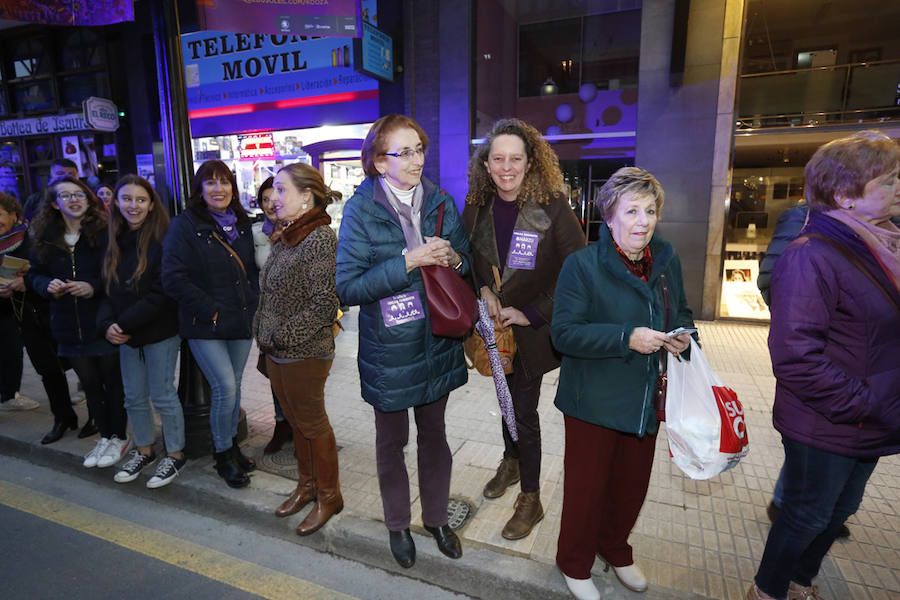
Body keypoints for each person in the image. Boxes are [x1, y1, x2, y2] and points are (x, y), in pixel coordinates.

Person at [746, 134, 900, 600]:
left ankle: (801, 581)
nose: (899, 188)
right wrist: (872, 402)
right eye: (889, 181)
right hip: (828, 418)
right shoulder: (811, 254)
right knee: (807, 514)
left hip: (872, 412)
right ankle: (768, 590)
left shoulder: (883, 243)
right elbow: (796, 357)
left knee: (839, 511)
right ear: (846, 196)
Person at [551, 167, 695, 599]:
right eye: (631, 210)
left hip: (644, 398)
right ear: (609, 217)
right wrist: (626, 337)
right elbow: (564, 333)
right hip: (592, 399)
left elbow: (683, 312)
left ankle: (615, 548)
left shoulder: (667, 259)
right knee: (586, 489)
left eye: (650, 211)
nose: (642, 221)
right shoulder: (583, 265)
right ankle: (574, 562)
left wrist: (686, 335)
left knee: (632, 486)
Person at [336, 114, 468, 568]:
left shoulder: (440, 201)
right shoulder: (359, 210)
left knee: (435, 435)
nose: (416, 160)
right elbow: (348, 287)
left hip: (437, 340)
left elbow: (465, 262)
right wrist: (408, 261)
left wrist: (453, 256)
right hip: (389, 350)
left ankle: (436, 518)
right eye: (403, 152)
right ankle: (397, 525)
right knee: (391, 441)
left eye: (419, 149)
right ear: (378, 162)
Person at [462, 118, 585, 540]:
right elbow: (470, 259)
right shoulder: (477, 205)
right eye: (498, 159)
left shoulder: (552, 206)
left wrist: (531, 313)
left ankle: (531, 498)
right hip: (494, 327)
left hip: (532, 330)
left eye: (516, 158)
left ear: (531, 162)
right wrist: (482, 289)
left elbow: (578, 273)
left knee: (524, 412)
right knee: (504, 396)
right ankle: (510, 461)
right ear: (487, 163)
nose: (507, 167)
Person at [254, 163, 343, 535]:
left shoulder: (319, 237)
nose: (273, 198)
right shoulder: (288, 232)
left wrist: (280, 336)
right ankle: (306, 486)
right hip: (278, 350)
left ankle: (329, 495)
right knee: (296, 423)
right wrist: (265, 333)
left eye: (281, 189)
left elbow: (325, 304)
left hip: (304, 351)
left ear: (306, 196)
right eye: (273, 190)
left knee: (312, 423)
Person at [162, 160, 259, 488]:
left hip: (241, 320)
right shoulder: (185, 225)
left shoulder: (242, 222)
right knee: (225, 387)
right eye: (210, 183)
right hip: (205, 323)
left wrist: (253, 303)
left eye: (224, 182)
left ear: (233, 186)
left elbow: (252, 269)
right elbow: (172, 277)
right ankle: (222, 455)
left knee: (235, 386)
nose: (219, 189)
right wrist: (211, 311)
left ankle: (231, 446)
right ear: (199, 189)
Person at [26, 176, 130, 468]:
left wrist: (92, 287)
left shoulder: (106, 232)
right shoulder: (45, 237)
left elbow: (118, 273)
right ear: (55, 204)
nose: (74, 199)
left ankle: (120, 437)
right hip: (66, 325)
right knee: (90, 384)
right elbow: (33, 274)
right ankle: (105, 437)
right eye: (66, 196)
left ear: (89, 199)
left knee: (113, 383)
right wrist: (46, 284)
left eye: (79, 194)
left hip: (101, 321)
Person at [98, 175, 186, 488]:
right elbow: (105, 291)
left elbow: (163, 293)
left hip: (158, 330)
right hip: (125, 334)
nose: (133, 206)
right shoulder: (111, 239)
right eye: (127, 199)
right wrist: (108, 325)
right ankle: (144, 449)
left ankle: (175, 454)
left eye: (140, 200)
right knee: (133, 396)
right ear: (116, 203)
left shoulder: (164, 238)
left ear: (151, 205)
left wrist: (123, 325)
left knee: (162, 394)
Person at [251, 176, 293, 455]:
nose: (269, 204)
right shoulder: (254, 233)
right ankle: (281, 424)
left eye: (274, 196)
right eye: (264, 199)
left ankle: (302, 426)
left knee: (302, 376)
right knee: (274, 373)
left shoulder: (299, 228)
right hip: (267, 317)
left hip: (298, 315)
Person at [0, 194, 41, 412]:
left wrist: (22, 280)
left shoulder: (28, 236)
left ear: (14, 214)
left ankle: (9, 394)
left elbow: (38, 265)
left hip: (24, 302)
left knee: (12, 349)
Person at [23, 159, 79, 223]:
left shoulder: (87, 198)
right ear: (51, 177)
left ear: (78, 177)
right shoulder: (34, 200)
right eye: (60, 174)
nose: (66, 177)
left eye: (71, 174)